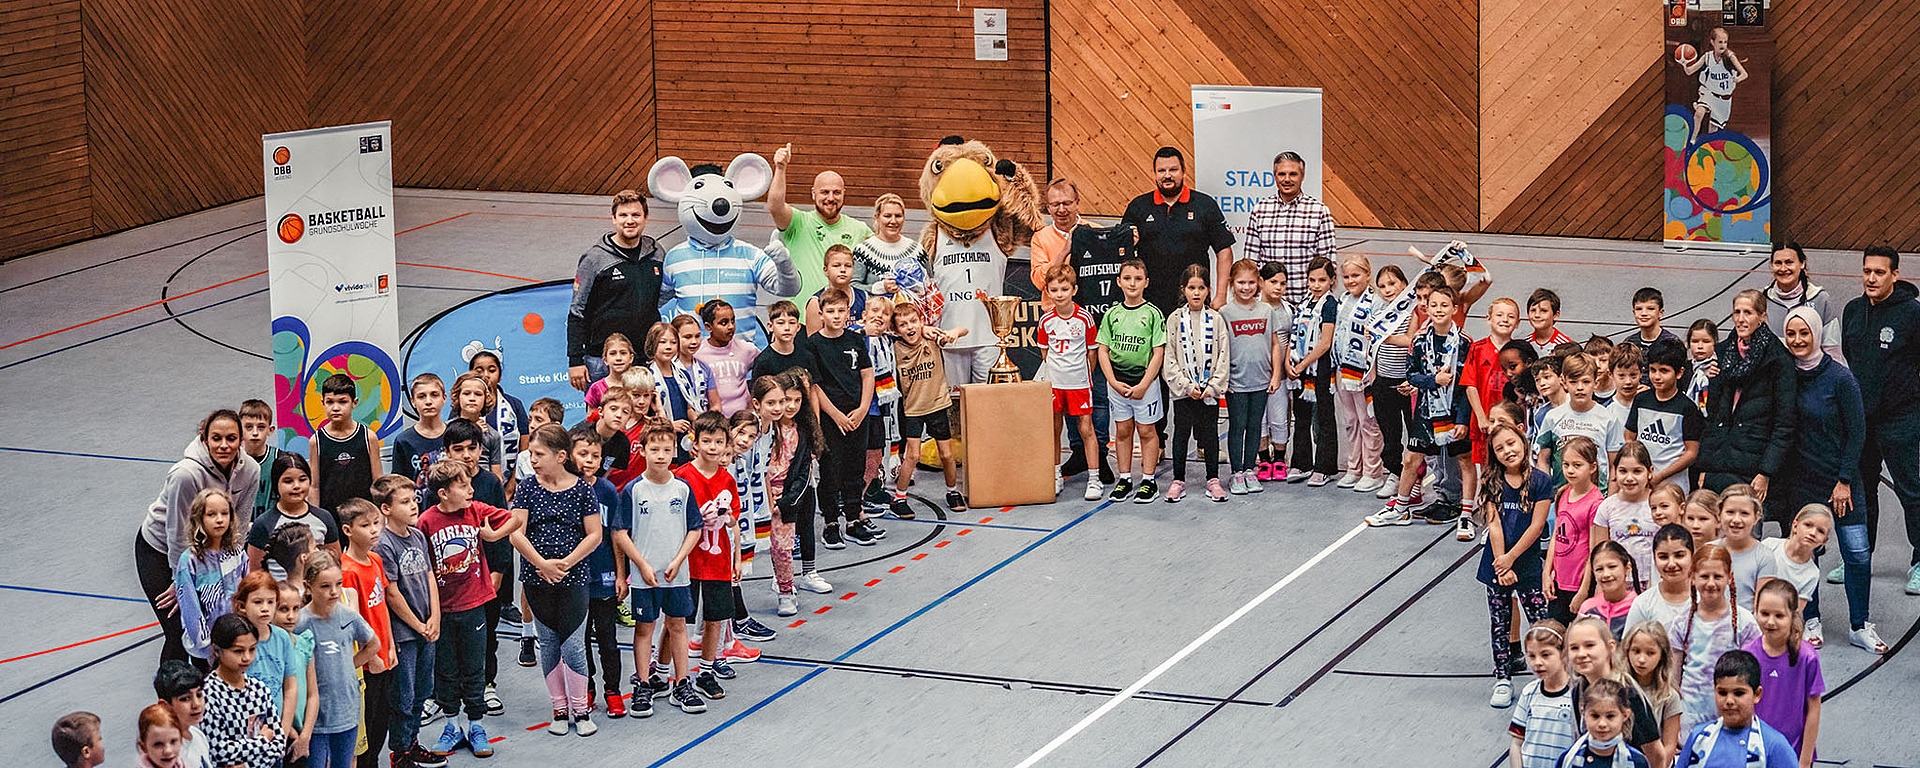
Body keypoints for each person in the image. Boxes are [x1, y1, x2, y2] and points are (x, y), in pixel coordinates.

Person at [1779, 308, 1883, 652]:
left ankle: (1859, 624)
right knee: (1806, 554)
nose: (1797, 341)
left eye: (1804, 334)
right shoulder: (1785, 375)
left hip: (1843, 485)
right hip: (1803, 483)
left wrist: (1844, 480)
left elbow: (1858, 433)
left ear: (1817, 335)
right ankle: (1811, 619)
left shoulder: (1840, 379)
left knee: (1857, 554)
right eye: (1791, 334)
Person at [138, 409, 262, 664]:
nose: (224, 445)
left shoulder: (250, 470)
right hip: (163, 551)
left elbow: (237, 527)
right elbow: (177, 532)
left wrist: (231, 567)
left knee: (218, 626)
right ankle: (168, 700)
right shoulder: (185, 475)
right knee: (180, 632)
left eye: (231, 438)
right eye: (216, 438)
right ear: (205, 440)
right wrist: (181, 581)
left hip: (213, 550)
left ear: (241, 440)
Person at [505, 425, 603, 736]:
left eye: (538, 454)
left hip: (574, 578)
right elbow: (516, 531)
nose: (532, 460)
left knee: (573, 645)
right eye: (531, 454)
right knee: (547, 643)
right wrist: (542, 565)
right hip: (536, 578)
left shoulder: (582, 489)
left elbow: (595, 534)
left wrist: (565, 563)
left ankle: (581, 710)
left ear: (561, 456)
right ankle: (559, 710)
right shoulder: (528, 488)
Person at [418, 459, 519, 757]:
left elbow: (515, 519)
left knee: (475, 669)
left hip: (475, 604)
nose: (471, 489)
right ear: (443, 493)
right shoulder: (426, 521)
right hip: (443, 610)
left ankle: (476, 725)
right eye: (463, 486)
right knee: (446, 669)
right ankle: (452, 725)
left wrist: (493, 535)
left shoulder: (476, 511)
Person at [610, 419, 706, 715]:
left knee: (677, 626)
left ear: (675, 450)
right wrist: (639, 565)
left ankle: (682, 683)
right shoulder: (633, 490)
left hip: (677, 575)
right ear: (643, 449)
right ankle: (642, 684)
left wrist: (678, 561)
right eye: (655, 449)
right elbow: (619, 532)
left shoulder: (682, 488)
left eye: (667, 449)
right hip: (644, 577)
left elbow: (695, 529)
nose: (661, 455)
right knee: (645, 629)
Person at [1839, 245, 1920, 595]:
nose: (1872, 278)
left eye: (1880, 272)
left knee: (1911, 491)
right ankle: (1860, 557)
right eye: (1867, 271)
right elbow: (1850, 356)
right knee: (1861, 489)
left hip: (1901, 419)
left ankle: (1919, 560)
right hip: (1862, 422)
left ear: (1895, 275)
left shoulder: (1912, 315)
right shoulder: (1854, 310)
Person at [1480, 424, 1554, 708]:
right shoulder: (1491, 480)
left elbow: (1537, 526)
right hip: (1497, 564)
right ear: (1494, 455)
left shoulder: (1540, 481)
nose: (1508, 451)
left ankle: (1549, 677)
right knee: (1499, 622)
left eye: (1511, 444)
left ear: (1523, 443)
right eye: (1500, 448)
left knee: (1540, 620)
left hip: (1527, 564)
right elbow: (1494, 524)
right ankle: (1502, 678)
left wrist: (1512, 559)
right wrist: (1502, 564)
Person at [370, 475, 442, 768]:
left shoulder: (418, 536)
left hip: (427, 628)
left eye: (414, 500)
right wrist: (418, 625)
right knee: (404, 694)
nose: (414, 506)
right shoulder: (384, 545)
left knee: (422, 692)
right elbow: (392, 593)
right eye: (405, 502)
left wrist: (435, 616)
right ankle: (399, 751)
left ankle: (412, 743)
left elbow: (428, 576)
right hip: (405, 633)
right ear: (385, 509)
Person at [1698, 290, 1796, 499]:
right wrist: (1705, 464)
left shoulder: (1778, 359)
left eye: (1748, 313)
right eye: (1737, 312)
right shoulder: (1724, 352)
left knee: (1745, 526)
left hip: (1753, 465)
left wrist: (1766, 472)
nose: (1741, 319)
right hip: (1720, 461)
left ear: (1762, 317)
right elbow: (1713, 414)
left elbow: (1784, 422)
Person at [673, 412, 742, 702]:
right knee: (677, 619)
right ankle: (670, 671)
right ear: (695, 444)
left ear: (726, 444)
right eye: (707, 441)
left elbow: (734, 519)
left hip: (717, 561)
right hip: (687, 561)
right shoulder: (683, 476)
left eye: (718, 442)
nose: (713, 447)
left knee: (715, 617)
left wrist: (737, 558)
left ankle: (706, 670)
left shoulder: (727, 479)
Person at [806, 288, 881, 547]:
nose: (836, 316)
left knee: (854, 467)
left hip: (857, 416)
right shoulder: (813, 344)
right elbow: (815, 386)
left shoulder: (855, 340)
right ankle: (830, 523)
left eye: (841, 311)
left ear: (848, 313)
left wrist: (862, 409)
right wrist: (836, 415)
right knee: (830, 470)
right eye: (831, 311)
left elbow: (867, 375)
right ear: (821, 313)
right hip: (831, 417)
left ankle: (853, 519)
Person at [569, 190, 664, 391]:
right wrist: (575, 360)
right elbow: (577, 311)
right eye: (623, 215)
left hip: (644, 359)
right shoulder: (594, 259)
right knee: (604, 419)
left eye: (636, 215)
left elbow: (657, 299)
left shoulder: (657, 253)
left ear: (645, 218)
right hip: (602, 362)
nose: (630, 221)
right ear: (613, 219)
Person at [1121, 146, 1235, 313]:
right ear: (1155, 174)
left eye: (1173, 169)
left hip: (1195, 299)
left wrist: (1221, 295)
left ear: (1183, 172)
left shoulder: (1205, 205)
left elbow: (1224, 250)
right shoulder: (1138, 207)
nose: (1167, 175)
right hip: (1148, 302)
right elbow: (1122, 253)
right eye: (1161, 170)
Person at [564, 429, 627, 718]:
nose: (590, 461)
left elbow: (616, 535)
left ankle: (612, 691)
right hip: (574, 579)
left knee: (608, 638)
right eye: (583, 454)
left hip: (602, 577)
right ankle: (585, 688)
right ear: (568, 455)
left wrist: (620, 574)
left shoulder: (607, 490)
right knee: (579, 641)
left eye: (596, 456)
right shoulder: (563, 490)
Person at [1406, 284, 1476, 533]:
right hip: (1428, 410)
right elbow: (1412, 375)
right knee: (1436, 457)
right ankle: (1443, 498)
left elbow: (1469, 383)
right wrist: (1433, 381)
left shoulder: (1466, 343)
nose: (1438, 309)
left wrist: (1464, 418)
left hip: (1456, 411)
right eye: (1433, 305)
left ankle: (1462, 507)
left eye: (1444, 305)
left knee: (1461, 458)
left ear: (1454, 309)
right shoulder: (1420, 339)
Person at [1671, 544, 1761, 734]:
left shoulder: (1744, 623)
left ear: (1729, 578)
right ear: (1693, 578)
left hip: (1732, 716)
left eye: (1717, 576)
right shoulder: (1682, 622)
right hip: (1691, 718)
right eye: (1704, 576)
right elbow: (1673, 680)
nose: (1711, 583)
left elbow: (1754, 674)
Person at [1098, 259, 1168, 500]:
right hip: (1118, 384)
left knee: (1147, 431)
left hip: (1144, 385)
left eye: (1138, 279)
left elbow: (1158, 352)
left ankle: (1149, 480)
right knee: (1123, 430)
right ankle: (1125, 478)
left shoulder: (1152, 314)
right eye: (1127, 278)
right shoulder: (1111, 314)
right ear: (1118, 282)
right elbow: (1102, 350)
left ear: (1146, 283)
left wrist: (1144, 385)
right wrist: (1113, 382)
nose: (1132, 283)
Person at [333, 499, 395, 768]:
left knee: (383, 719)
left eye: (375, 524)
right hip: (368, 663)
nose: (374, 530)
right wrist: (370, 656)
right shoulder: (347, 571)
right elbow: (354, 622)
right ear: (347, 530)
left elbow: (382, 608)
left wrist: (390, 646)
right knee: (366, 726)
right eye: (365, 525)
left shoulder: (376, 559)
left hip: (385, 654)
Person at [769, 143, 872, 302]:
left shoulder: (860, 229)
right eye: (825, 192)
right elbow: (775, 206)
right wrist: (781, 168)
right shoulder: (798, 223)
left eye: (836, 192)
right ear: (813, 194)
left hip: (843, 319)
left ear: (844, 194)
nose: (831, 198)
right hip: (802, 320)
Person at [890, 298, 966, 513]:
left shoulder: (931, 339)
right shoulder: (895, 347)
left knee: (947, 455)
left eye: (913, 321)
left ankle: (952, 492)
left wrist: (953, 334)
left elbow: (963, 329)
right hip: (913, 409)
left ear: (921, 321)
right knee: (912, 456)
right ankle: (899, 498)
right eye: (903, 325)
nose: (910, 327)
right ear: (897, 330)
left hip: (938, 404)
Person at [1037, 264, 1104, 501]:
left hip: (1079, 383)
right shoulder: (1045, 321)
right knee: (1055, 429)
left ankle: (1094, 479)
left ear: (1073, 290)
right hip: (1055, 384)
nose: (1059, 294)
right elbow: (1046, 354)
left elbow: (1092, 353)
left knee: (1086, 428)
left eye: (1064, 289)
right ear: (1048, 292)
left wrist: (1080, 375)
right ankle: (1056, 475)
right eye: (1054, 290)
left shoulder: (1085, 318)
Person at [1164, 265, 1230, 502]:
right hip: (1185, 392)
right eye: (1191, 288)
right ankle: (1178, 480)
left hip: (1208, 392)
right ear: (1183, 290)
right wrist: (1184, 386)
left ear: (1208, 290)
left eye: (1201, 288)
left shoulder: (1216, 319)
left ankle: (1213, 479)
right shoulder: (1174, 319)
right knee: (1181, 434)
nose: (1196, 293)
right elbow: (1169, 357)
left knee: (1210, 434)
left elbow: (1224, 355)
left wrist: (1212, 387)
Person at [769, 370, 832, 610]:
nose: (792, 406)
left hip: (795, 491)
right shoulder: (767, 429)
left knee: (802, 531)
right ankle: (781, 583)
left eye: (797, 400)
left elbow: (805, 464)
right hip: (770, 495)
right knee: (779, 547)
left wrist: (789, 497)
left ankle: (803, 577)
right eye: (786, 400)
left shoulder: (803, 429)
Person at [1220, 259, 1283, 495]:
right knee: (1238, 426)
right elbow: (1221, 348)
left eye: (1250, 282)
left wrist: (1276, 374)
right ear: (1231, 283)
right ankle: (1236, 473)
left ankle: (1249, 469)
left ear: (1258, 283)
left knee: (1256, 425)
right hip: (1236, 381)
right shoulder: (1225, 312)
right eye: (1240, 283)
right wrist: (1224, 379)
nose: (1246, 287)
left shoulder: (1266, 310)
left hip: (1261, 380)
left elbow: (1275, 343)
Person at [1672, 651, 1795, 768]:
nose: (1729, 701)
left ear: (1757, 694)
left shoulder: (1773, 745)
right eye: (1722, 693)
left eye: (1739, 693)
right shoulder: (1699, 737)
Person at [1744, 581, 1822, 764]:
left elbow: (1814, 709)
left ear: (1793, 616)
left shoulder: (1806, 657)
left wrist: (1804, 761)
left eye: (1779, 615)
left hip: (1793, 754)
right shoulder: (1748, 654)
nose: (1770, 621)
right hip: (1756, 755)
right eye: (1764, 613)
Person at [1242, 151, 1334, 306]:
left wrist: (1315, 303)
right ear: (1275, 176)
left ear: (1302, 176)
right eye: (1281, 174)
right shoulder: (1260, 210)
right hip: (1268, 305)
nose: (1287, 179)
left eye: (1293, 174)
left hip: (1306, 304)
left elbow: (1328, 265)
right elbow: (1251, 264)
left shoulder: (1319, 211)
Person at [203, 613, 288, 768]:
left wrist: (247, 766)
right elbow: (219, 750)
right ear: (217, 650)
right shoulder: (208, 694)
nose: (247, 657)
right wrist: (262, 740)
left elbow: (278, 743)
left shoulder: (259, 690)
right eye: (238, 651)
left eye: (252, 649)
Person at [1365, 266, 1421, 501]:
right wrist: (1374, 376)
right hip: (1384, 382)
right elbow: (1372, 349)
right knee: (1390, 434)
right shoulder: (1377, 311)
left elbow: (1411, 339)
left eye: (1392, 283)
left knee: (1414, 435)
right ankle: (1395, 473)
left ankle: (1415, 476)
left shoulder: (1411, 311)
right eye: (1383, 286)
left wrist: (1384, 336)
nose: (1388, 289)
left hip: (1406, 382)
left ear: (1404, 284)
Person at [174, 488, 248, 665]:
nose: (219, 520)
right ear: (199, 519)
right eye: (211, 514)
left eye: (224, 513)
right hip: (207, 653)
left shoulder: (237, 553)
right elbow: (190, 608)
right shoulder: (189, 561)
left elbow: (248, 594)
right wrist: (209, 648)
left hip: (237, 644)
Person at [1331, 255, 1385, 493]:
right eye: (1346, 277)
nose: (1350, 281)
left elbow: (1378, 340)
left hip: (1363, 371)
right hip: (1343, 369)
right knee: (1350, 421)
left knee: (1368, 421)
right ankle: (1354, 467)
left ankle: (1373, 471)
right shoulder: (1343, 299)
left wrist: (1372, 370)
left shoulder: (1376, 302)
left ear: (1367, 275)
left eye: (1356, 275)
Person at [1536, 354, 1626, 492]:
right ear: (1564, 382)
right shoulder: (1552, 417)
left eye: (1586, 382)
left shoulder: (1608, 419)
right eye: (1573, 382)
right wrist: (1545, 494)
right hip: (1561, 495)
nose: (1579, 388)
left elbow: (1615, 465)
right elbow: (1543, 460)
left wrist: (1609, 502)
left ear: (1595, 383)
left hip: (1597, 497)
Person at [1286, 257, 1340, 485]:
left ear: (1332, 281)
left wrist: (1303, 364)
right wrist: (1289, 360)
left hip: (1320, 369)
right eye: (1312, 280)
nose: (1316, 285)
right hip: (1300, 370)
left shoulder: (1329, 305)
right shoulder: (1304, 302)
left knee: (1323, 418)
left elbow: (1325, 342)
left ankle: (1324, 466)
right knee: (1301, 418)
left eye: (1322, 280)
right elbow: (1294, 333)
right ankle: (1301, 463)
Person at [1626, 339, 1705, 491]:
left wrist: (1660, 476)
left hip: (1673, 485)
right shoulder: (1641, 399)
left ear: (1679, 373)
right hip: (1642, 481)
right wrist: (1637, 467)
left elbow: (1691, 452)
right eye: (1653, 370)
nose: (1656, 376)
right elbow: (1629, 436)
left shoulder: (1687, 407)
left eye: (1664, 371)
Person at [1546, 438, 1605, 624]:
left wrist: (1584, 591)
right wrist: (1547, 572)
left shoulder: (1596, 503)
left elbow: (1594, 551)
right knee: (1555, 638)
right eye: (1566, 464)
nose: (1570, 470)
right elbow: (1556, 535)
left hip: (1579, 584)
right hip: (1558, 583)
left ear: (1592, 467)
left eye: (1577, 465)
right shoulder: (1563, 493)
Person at [1509, 621, 1578, 766]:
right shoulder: (1529, 692)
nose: (1537, 662)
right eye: (1532, 656)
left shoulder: (1578, 693)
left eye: (1545, 655)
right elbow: (1516, 744)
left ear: (1564, 653)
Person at [309, 373, 380, 513]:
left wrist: (380, 517)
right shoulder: (316, 441)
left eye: (342, 402)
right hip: (331, 516)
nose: (335, 408)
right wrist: (316, 519)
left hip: (364, 517)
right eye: (330, 402)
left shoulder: (368, 437)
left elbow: (377, 482)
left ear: (354, 402)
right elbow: (314, 486)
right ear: (322, 402)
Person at [1761, 244, 1840, 359]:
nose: (1783, 268)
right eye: (1778, 263)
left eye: (1789, 262)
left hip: (1810, 374)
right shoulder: (1761, 300)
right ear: (1771, 266)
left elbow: (1832, 349)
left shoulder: (1820, 299)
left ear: (1802, 263)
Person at [1621, 621, 1684, 762]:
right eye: (1636, 651)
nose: (1641, 659)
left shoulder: (1669, 696)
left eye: (1650, 653)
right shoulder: (1617, 688)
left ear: (1662, 655)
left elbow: (1669, 746)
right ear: (1627, 650)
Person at [1595, 445, 1659, 583]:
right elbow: (1600, 555)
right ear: (1615, 472)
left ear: (1650, 472)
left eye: (1637, 471)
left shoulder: (1660, 505)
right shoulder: (1606, 507)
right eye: (1623, 471)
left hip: (1655, 582)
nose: (1629, 478)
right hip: (1618, 584)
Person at [1558, 678, 1654, 767]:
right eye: (1595, 716)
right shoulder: (1568, 759)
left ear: (1625, 715)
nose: (1602, 724)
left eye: (1610, 716)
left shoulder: (1637, 762)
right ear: (1583, 713)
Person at [1680, 27, 1749, 145]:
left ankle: (1707, 148)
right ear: (1712, 42)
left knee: (1712, 131)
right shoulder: (1707, 57)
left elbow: (1744, 74)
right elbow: (1689, 71)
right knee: (1699, 113)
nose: (1723, 45)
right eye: (1720, 42)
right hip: (1709, 93)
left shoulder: (1730, 57)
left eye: (1725, 42)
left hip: (1723, 99)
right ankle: (1691, 140)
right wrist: (1684, 63)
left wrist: (1737, 79)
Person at [1625, 524, 1696, 631]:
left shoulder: (1707, 598)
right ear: (1654, 559)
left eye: (1679, 555)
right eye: (1663, 557)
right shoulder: (1643, 604)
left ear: (1692, 556)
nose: (1671, 564)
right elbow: (1629, 645)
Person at [695, 300, 759, 416]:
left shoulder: (746, 349)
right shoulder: (698, 354)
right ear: (708, 327)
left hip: (743, 421)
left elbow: (765, 364)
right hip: (715, 421)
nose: (731, 327)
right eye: (724, 323)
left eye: (733, 321)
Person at [154, 661, 215, 768]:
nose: (196, 704)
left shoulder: (197, 735)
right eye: (185, 699)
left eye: (199, 695)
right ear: (164, 706)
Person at [1578, 542, 1641, 639]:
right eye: (1599, 569)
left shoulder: (1640, 607)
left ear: (1627, 568)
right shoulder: (1588, 608)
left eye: (1612, 567)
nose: (1606, 574)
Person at [392, 374, 447, 479]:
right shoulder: (404, 440)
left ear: (444, 398)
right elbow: (399, 483)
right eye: (421, 396)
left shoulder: (455, 434)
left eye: (434, 395)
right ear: (413, 401)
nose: (428, 402)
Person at [237, 400, 278, 522]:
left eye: (261, 427)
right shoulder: (232, 461)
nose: (255, 433)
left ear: (270, 430)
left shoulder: (279, 459)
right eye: (249, 427)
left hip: (271, 530)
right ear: (240, 430)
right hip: (239, 532)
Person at [752, 300, 811, 381]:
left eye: (792, 323)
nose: (787, 328)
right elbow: (757, 391)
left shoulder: (807, 357)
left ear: (798, 327)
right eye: (781, 323)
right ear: (770, 326)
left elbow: (814, 387)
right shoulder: (763, 361)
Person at [584, 334, 640, 411]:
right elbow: (590, 419)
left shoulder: (639, 385)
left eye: (623, 353)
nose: (618, 358)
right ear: (605, 359)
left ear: (631, 358)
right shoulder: (596, 388)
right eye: (613, 353)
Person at [1621, 288, 1679, 357]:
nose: (1644, 313)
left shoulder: (1672, 343)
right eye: (1639, 309)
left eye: (1650, 309)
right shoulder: (1629, 343)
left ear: (1660, 313)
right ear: (1634, 313)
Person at [1527, 289, 1575, 356]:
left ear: (1556, 315)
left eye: (1544, 311)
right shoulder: (1525, 344)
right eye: (1533, 310)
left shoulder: (1566, 345)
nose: (1537, 315)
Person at [133, 704, 183, 768]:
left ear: (181, 740)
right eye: (158, 744)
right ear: (143, 747)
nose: (168, 750)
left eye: (173, 742)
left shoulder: (181, 764)